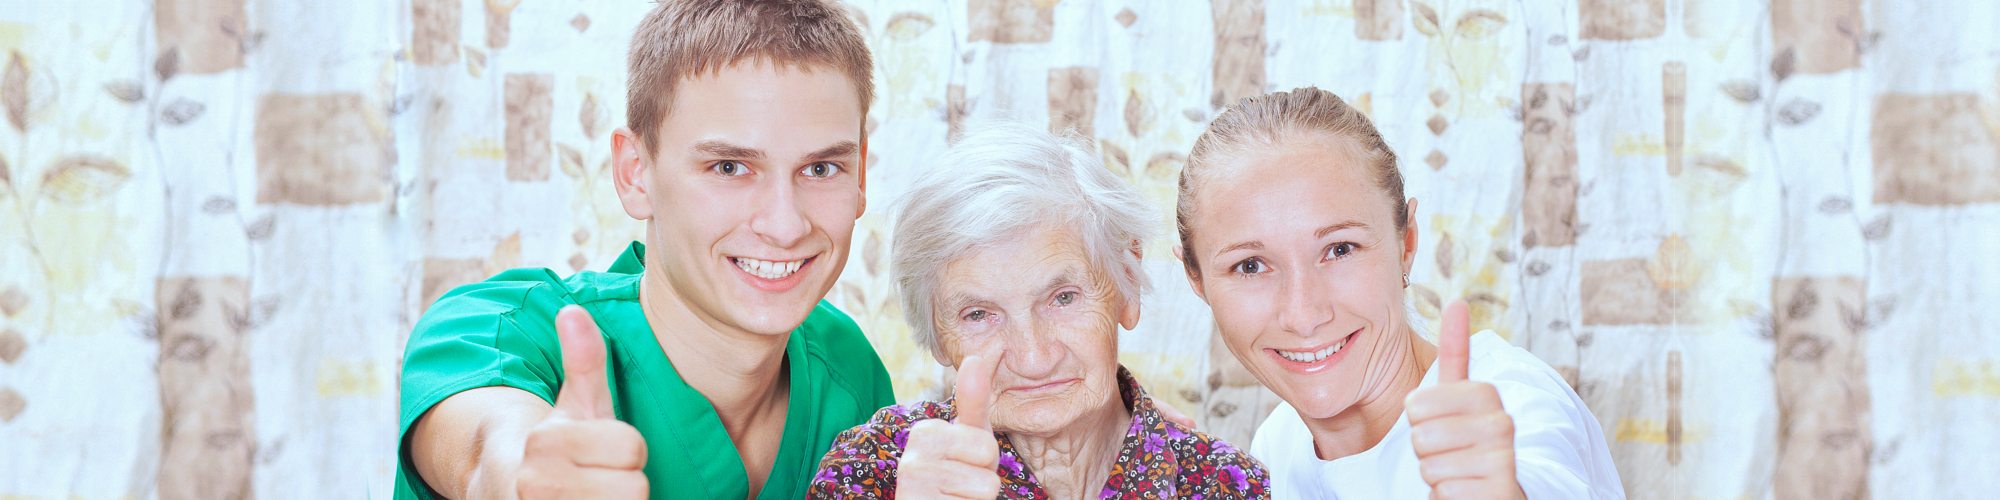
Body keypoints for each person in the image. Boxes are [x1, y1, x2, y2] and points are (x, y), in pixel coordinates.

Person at [395, 1, 894, 499]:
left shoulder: (851, 374)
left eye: (822, 168)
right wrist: (524, 474)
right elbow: (487, 448)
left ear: (861, 173)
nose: (785, 226)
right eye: (728, 167)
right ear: (635, 172)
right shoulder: (501, 333)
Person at [1171, 87, 1624, 499]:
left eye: (1340, 249)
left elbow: (1538, 474)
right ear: (1198, 282)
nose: (1303, 314)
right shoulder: (1278, 444)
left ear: (1405, 245)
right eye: (1250, 266)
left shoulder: (1509, 405)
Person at [807, 121, 1269, 499]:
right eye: (979, 315)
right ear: (936, 332)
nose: (1033, 359)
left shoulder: (1228, 484)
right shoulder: (873, 468)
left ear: (1126, 283)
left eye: (1063, 298)